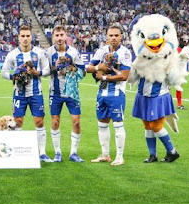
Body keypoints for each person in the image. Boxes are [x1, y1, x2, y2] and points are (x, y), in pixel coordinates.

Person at [1, 25, 50, 161]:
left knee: (39, 121)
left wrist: (36, 73)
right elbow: (3, 72)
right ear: (18, 38)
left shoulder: (39, 53)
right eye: (23, 36)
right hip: (19, 94)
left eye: (28, 36)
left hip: (36, 93)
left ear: (31, 37)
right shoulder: (13, 54)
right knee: (17, 122)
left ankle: (42, 153)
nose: (25, 38)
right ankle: (17, 151)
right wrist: (14, 77)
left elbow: (47, 70)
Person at [86, 24, 132, 166]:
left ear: (121, 37)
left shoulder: (125, 53)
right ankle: (105, 155)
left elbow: (124, 76)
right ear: (106, 37)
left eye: (116, 35)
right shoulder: (102, 50)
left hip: (117, 94)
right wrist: (99, 67)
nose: (113, 38)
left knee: (118, 125)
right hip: (102, 93)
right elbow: (88, 68)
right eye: (111, 35)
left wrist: (104, 77)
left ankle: (119, 156)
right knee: (102, 125)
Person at [45, 26, 86, 162]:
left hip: (72, 93)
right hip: (55, 93)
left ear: (66, 36)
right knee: (55, 121)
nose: (59, 38)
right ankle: (58, 153)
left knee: (76, 122)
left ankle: (73, 153)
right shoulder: (48, 53)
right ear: (53, 37)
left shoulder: (73, 52)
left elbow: (83, 72)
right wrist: (55, 67)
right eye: (57, 35)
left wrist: (71, 68)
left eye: (62, 35)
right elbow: (45, 72)